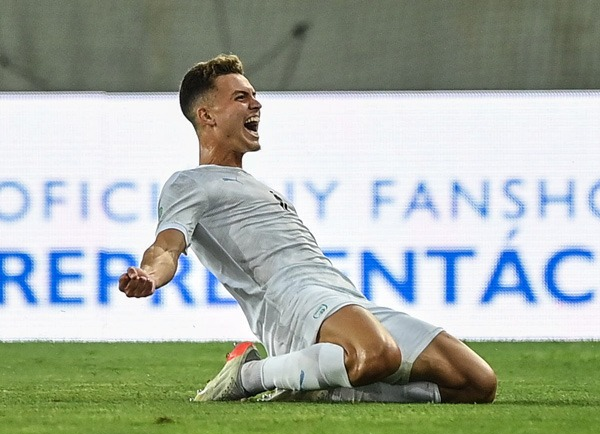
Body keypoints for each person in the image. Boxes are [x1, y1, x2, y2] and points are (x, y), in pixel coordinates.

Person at [118, 54, 497, 404]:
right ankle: (248, 375)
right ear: (207, 116)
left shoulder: (262, 189)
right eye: (241, 97)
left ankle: (325, 386)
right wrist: (150, 274)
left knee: (476, 382)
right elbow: (167, 246)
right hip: (291, 303)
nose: (256, 104)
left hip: (342, 295)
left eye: (254, 95)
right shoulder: (190, 183)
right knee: (377, 354)